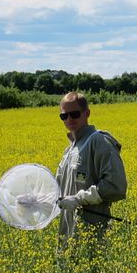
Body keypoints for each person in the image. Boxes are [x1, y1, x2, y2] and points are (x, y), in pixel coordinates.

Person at [55, 91, 127, 257]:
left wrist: (79, 199)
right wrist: (34, 200)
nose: (69, 119)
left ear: (87, 113)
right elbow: (57, 190)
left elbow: (115, 186)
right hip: (67, 233)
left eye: (74, 114)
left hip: (90, 233)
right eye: (64, 116)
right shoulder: (70, 150)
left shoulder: (98, 141)